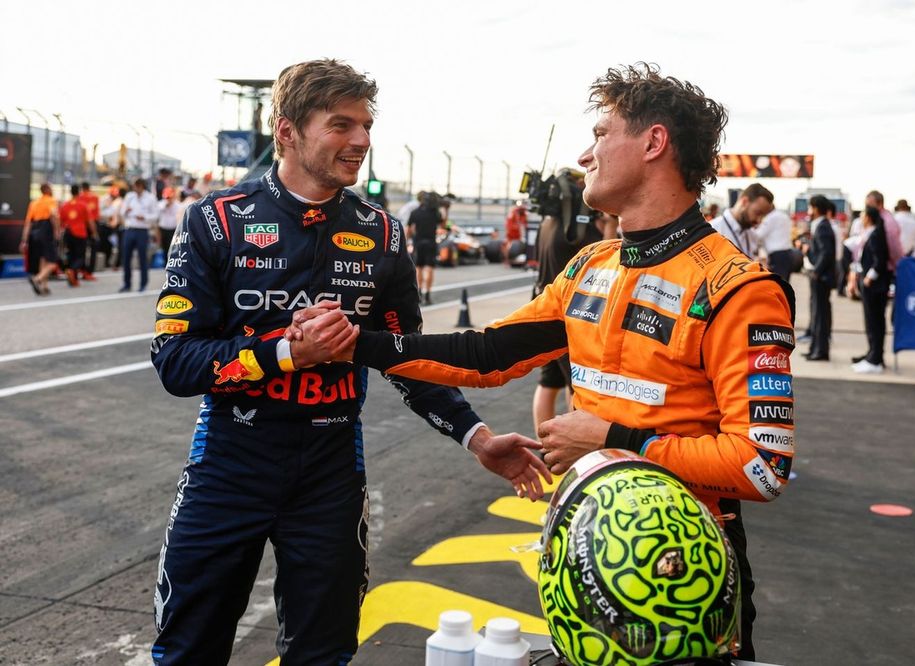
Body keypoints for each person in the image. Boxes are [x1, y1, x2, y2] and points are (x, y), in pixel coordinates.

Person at [302, 63, 796, 661]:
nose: (585, 156)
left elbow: (763, 466)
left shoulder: (737, 288)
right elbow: (488, 355)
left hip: (687, 573)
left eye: (601, 134)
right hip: (584, 553)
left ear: (653, 143)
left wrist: (615, 440)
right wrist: (357, 344)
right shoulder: (590, 266)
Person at [147, 58, 547, 666]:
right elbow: (175, 361)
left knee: (324, 653)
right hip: (230, 461)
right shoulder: (215, 219)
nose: (361, 140)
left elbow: (407, 357)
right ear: (287, 131)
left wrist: (478, 436)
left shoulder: (382, 232)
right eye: (341, 124)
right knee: (187, 651)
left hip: (330, 469)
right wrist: (287, 353)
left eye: (366, 126)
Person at [530, 176, 606, 436]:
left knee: (548, 382)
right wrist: (609, 224)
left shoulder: (548, 222)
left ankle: (544, 448)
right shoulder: (577, 230)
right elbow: (605, 258)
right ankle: (572, 449)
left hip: (542, 306)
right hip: (570, 316)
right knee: (577, 386)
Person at [849, 206, 891, 374]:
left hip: (874, 285)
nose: (861, 218)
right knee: (871, 321)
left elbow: (880, 260)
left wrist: (869, 277)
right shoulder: (869, 234)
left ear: (869, 217)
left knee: (875, 321)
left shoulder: (876, 235)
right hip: (869, 283)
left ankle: (875, 359)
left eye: (863, 215)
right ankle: (872, 354)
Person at [801, 195, 836, 360]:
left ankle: (820, 350)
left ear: (815, 208)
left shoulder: (822, 227)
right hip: (821, 277)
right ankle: (815, 348)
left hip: (821, 278)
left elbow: (826, 252)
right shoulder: (821, 225)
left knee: (820, 315)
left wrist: (817, 272)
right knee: (817, 313)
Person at [709, 183, 773, 258]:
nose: (759, 221)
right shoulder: (712, 230)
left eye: (763, 216)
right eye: (758, 213)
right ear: (744, 202)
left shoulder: (752, 234)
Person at [118, 177, 159, 292]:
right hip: (130, 229)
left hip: (142, 230)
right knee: (126, 257)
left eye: (137, 186)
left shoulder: (150, 198)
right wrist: (126, 211)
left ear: (142, 186)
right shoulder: (130, 196)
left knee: (142, 258)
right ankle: (127, 284)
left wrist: (144, 217)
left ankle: (143, 284)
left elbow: (156, 215)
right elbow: (121, 212)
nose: (135, 189)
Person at [20, 183, 61, 295]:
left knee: (43, 259)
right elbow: (54, 215)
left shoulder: (34, 203)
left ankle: (44, 286)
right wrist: (57, 231)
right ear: (47, 190)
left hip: (35, 233)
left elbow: (28, 223)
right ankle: (37, 279)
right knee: (53, 261)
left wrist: (24, 240)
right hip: (46, 232)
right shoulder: (51, 201)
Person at [407, 191, 442, 304]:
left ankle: (419, 292)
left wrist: (409, 240)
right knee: (429, 268)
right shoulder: (435, 212)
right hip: (431, 243)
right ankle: (428, 294)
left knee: (418, 269)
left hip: (418, 243)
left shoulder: (415, 212)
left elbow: (409, 229)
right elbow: (443, 224)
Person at [59, 184, 93, 286]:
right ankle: (72, 270)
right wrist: (94, 233)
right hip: (80, 233)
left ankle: (74, 279)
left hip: (68, 233)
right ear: (79, 192)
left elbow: (60, 221)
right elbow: (90, 221)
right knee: (80, 257)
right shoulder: (83, 205)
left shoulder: (65, 205)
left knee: (71, 255)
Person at [755, 204, 794, 281]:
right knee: (784, 283)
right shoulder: (784, 216)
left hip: (777, 256)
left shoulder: (770, 218)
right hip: (788, 253)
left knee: (777, 282)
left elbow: (758, 235)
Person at [79, 181, 101, 280]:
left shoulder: (80, 197)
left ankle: (82, 269)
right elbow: (96, 213)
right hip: (93, 223)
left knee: (82, 248)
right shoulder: (95, 197)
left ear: (82, 188)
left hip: (82, 225)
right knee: (93, 249)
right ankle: (89, 271)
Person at [156, 187, 182, 255]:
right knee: (164, 248)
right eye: (167, 198)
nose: (168, 199)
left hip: (173, 230)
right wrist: (166, 205)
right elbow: (158, 215)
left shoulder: (178, 205)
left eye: (169, 197)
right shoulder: (161, 204)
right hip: (163, 230)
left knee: (173, 249)